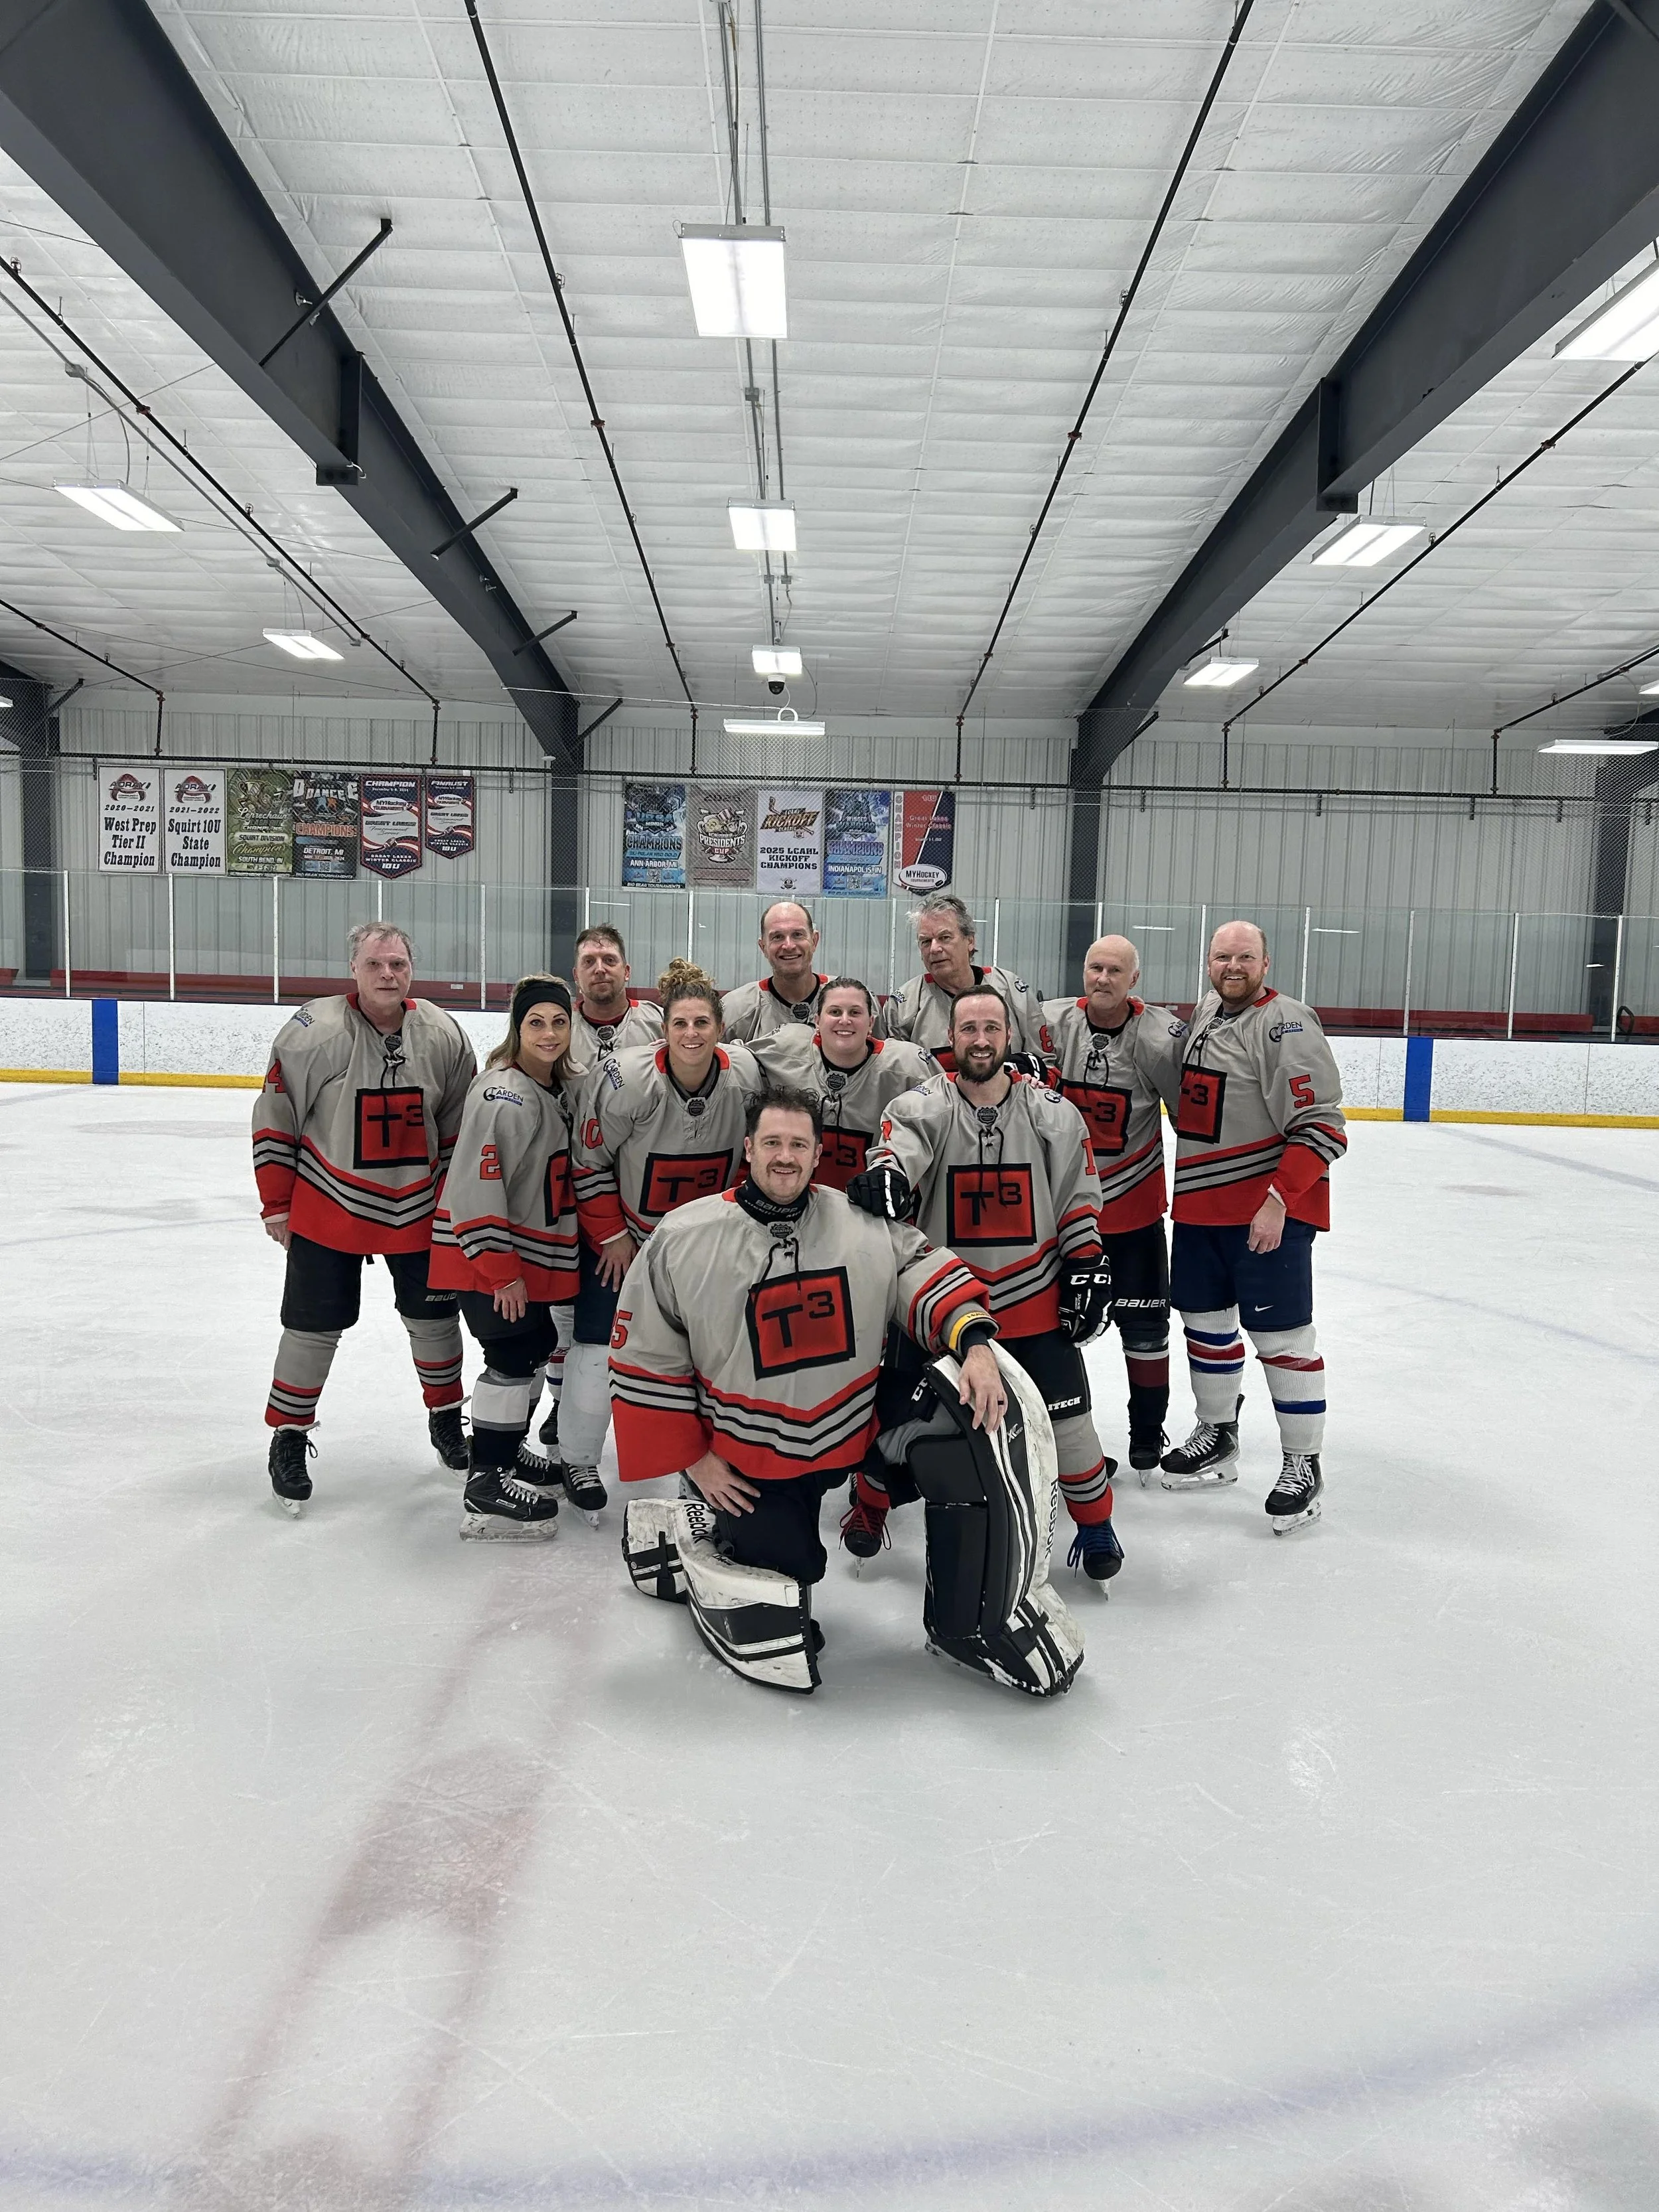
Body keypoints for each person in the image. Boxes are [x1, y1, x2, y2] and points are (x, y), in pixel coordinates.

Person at [614, 1087, 1083, 1698]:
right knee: (789, 1589)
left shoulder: (858, 1219)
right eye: (773, 1143)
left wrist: (973, 1344)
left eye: (799, 1146)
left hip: (853, 1423)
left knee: (970, 1435)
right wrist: (695, 1459)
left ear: (817, 1156)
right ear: (749, 1148)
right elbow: (644, 1356)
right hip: (751, 1458)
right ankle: (695, 1530)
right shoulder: (683, 1237)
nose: (785, 1157)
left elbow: (922, 1269)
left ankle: (975, 1617)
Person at [847, 987, 1123, 1584]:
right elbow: (898, 1155)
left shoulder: (1053, 1111)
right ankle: (870, 1507)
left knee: (1070, 1425)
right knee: (894, 1420)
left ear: (1009, 1036)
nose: (979, 1039)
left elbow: (1077, 1199)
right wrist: (889, 1178)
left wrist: (1087, 1262)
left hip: (1033, 1301)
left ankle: (1096, 1522)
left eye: (991, 1028)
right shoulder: (921, 1105)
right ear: (952, 1035)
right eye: (968, 1028)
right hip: (942, 1304)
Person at [253, 922, 476, 1515]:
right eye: (376, 964)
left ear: (412, 971)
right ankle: (290, 1436)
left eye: (399, 964)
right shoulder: (312, 1031)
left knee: (434, 1323)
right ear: (353, 967)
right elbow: (276, 1116)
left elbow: (459, 1125)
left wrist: (455, 1203)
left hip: (419, 1209)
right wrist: (277, 1201)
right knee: (310, 1327)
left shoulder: (442, 1031)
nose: (388, 975)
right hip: (330, 1205)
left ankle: (447, 1420)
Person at [1159, 920, 1346, 1533]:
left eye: (1244, 957)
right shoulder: (1209, 1010)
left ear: (1267, 963)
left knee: (1283, 1340)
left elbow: (1322, 1125)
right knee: (1206, 1328)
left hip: (1264, 1213)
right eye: (1221, 956)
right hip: (1199, 1209)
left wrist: (1278, 1201)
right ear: (1207, 962)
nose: (1231, 966)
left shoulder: (1287, 1022)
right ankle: (1217, 1434)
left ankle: (1303, 1463)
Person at [565, 960, 765, 1499]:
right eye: (681, 1023)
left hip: (706, 1250)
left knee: (708, 1360)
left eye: (702, 1023)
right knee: (596, 1346)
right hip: (629, 1241)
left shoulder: (745, 1077)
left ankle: (695, 1462)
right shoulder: (627, 1080)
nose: (692, 1034)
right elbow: (588, 1163)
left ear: (720, 1028)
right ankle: (580, 1458)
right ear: (664, 1029)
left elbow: (756, 1157)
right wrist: (611, 1235)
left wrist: (735, 1228)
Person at [429, 976, 605, 1536]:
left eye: (559, 1021)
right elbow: (476, 1187)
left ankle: (501, 1453)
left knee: (529, 1345)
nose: (550, 1033)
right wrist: (500, 1271)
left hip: (513, 1254)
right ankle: (487, 1480)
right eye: (536, 1022)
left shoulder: (551, 1085)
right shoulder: (500, 1092)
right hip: (486, 1257)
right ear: (518, 1028)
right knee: (513, 1350)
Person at [1045, 935, 1185, 1478]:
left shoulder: (1160, 1036)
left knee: (1145, 1332)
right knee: (1054, 1331)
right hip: (1065, 1216)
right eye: (1094, 967)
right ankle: (1062, 1435)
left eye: (1115, 970)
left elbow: (1193, 1118)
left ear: (1136, 979)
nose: (1102, 978)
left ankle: (1147, 1431)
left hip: (1134, 1211)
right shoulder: (1054, 1023)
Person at [749, 976, 938, 1190]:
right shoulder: (785, 1048)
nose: (845, 1020)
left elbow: (947, 1112)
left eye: (855, 1012)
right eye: (835, 1012)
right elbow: (737, 1060)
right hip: (797, 1203)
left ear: (871, 1023)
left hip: (872, 1210)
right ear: (817, 1021)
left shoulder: (909, 1067)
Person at [879, 893, 1054, 1074]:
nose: (934, 949)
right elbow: (893, 1077)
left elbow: (1046, 1065)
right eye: (925, 941)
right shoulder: (903, 1005)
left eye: (945, 937)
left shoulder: (1014, 991)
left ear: (970, 941)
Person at [721, 900, 829, 1039]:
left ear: (814, 941)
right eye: (777, 937)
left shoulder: (849, 1001)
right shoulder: (734, 1010)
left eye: (798, 935)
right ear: (763, 947)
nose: (789, 946)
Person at [568, 924, 664, 1063]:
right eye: (589, 962)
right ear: (576, 976)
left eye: (609, 960)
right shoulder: (562, 1028)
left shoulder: (660, 1022)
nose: (600, 969)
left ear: (627, 972)